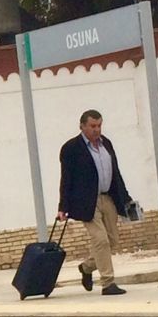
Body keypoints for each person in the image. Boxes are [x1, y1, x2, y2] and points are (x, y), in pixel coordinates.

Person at [57, 109, 135, 296]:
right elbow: (66, 179)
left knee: (112, 240)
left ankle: (86, 267)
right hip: (87, 202)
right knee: (100, 240)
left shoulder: (106, 143)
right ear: (82, 126)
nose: (97, 129)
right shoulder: (71, 148)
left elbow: (116, 173)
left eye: (99, 125)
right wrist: (63, 207)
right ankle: (108, 283)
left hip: (108, 198)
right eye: (92, 126)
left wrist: (126, 198)